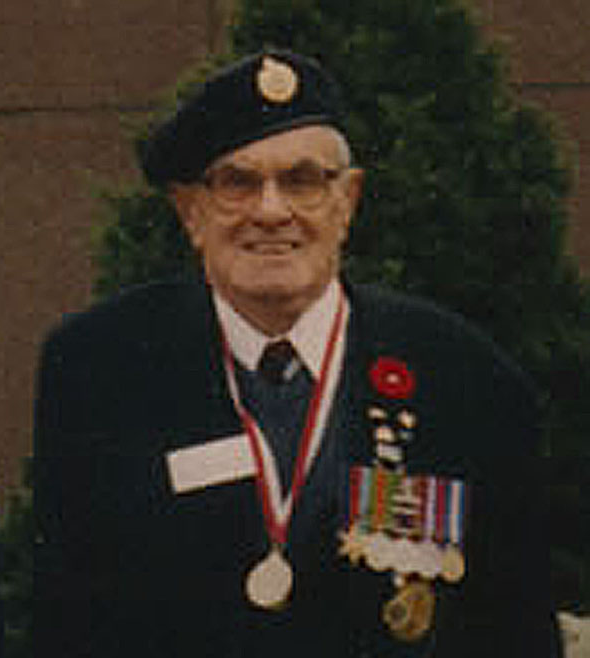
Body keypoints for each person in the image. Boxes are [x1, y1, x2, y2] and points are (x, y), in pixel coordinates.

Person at [34, 50, 556, 657]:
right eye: (237, 183)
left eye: (303, 180)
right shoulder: (101, 368)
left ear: (348, 201)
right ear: (191, 212)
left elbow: (516, 633)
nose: (271, 211)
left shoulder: (463, 376)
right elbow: (67, 626)